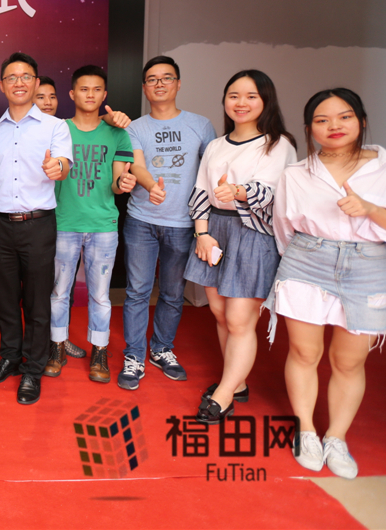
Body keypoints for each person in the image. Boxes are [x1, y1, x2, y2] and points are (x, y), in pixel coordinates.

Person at [265, 88, 386, 478]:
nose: (334, 125)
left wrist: (371, 210)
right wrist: (302, 259)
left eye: (344, 117)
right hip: (306, 261)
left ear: (362, 121)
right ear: (309, 129)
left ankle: (336, 436)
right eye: (322, 120)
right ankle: (306, 429)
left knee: (349, 361)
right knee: (304, 353)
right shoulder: (296, 173)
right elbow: (283, 228)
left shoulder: (385, 167)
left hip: (369, 265)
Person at [185, 69, 297, 424]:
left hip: (253, 232)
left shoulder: (278, 145)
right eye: (234, 95)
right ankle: (238, 382)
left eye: (251, 96)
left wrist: (238, 191)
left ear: (266, 101)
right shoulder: (216, 146)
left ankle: (223, 394)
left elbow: (273, 194)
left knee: (238, 319)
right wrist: (202, 234)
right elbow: (200, 192)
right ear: (225, 101)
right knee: (220, 313)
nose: (241, 103)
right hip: (214, 231)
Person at [0, 53, 72, 405]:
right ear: (2, 85)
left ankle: (33, 369)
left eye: (26, 76)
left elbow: (63, 165)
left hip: (38, 225)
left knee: (36, 301)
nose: (19, 83)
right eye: (12, 77)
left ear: (35, 83)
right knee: (6, 298)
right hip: (1, 224)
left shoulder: (55, 127)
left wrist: (56, 167)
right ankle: (10, 358)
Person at [118, 56, 216, 391]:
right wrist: (150, 186)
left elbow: (211, 170)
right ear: (144, 88)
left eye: (167, 77)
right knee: (138, 291)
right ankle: (134, 355)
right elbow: (137, 165)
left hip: (182, 223)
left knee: (173, 293)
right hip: (141, 221)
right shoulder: (135, 128)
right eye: (152, 79)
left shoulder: (200, 125)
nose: (159, 84)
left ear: (178, 83)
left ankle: (162, 349)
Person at [45, 66, 136, 384]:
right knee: (59, 292)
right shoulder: (59, 130)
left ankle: (99, 351)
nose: (90, 95)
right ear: (72, 94)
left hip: (102, 225)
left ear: (104, 94)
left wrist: (123, 184)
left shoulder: (118, 134)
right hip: (64, 222)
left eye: (97, 89)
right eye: (84, 89)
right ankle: (56, 347)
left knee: (100, 295)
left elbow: (117, 184)